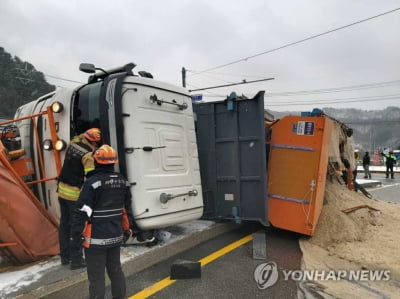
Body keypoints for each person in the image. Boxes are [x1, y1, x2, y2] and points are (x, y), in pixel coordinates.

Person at [71, 144, 134, 299]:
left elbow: (82, 211)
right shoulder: (122, 181)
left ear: (96, 161)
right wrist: (127, 229)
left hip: (95, 240)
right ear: (114, 162)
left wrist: (75, 235)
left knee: (97, 278)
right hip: (115, 235)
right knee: (115, 270)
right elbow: (125, 208)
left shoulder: (93, 183)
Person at [57, 128, 102, 269]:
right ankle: (76, 260)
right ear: (94, 142)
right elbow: (91, 176)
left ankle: (65, 257)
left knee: (64, 224)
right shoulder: (88, 155)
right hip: (73, 194)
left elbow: (79, 136)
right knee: (76, 227)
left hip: (61, 191)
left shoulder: (73, 143)